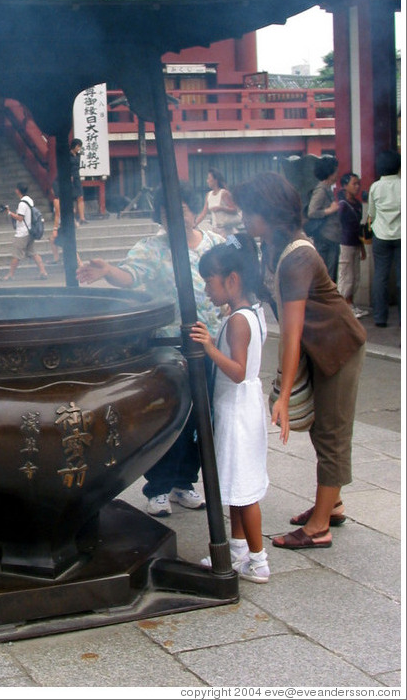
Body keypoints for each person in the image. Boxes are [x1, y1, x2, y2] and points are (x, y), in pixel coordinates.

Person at [232, 171, 366, 551]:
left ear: (268, 212)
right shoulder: (275, 246)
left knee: (332, 433)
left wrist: (284, 394)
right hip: (318, 345)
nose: (244, 218)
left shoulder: (297, 258)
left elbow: (290, 334)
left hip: (339, 346)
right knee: (323, 429)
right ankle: (333, 503)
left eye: (248, 212)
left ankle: (320, 526)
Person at [77, 182, 224, 516]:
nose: (172, 217)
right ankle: (157, 486)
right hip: (171, 347)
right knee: (170, 418)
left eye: (179, 209)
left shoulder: (214, 244)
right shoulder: (151, 248)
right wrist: (107, 271)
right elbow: (130, 275)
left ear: (192, 209)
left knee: (203, 420)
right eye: (164, 212)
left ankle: (184, 482)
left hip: (213, 344)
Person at [191, 234, 270, 583]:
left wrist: (209, 346)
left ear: (232, 280)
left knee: (245, 492)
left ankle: (259, 560)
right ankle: (238, 551)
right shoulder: (251, 312)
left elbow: (237, 371)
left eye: (210, 281)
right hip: (243, 409)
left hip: (237, 411)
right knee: (237, 488)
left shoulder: (239, 321)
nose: (207, 289)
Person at [367, 149, 401, 328]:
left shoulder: (375, 187)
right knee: (401, 278)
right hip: (401, 236)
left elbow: (371, 213)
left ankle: (380, 318)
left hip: (380, 235)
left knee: (380, 276)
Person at [0, 182, 49, 281]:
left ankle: (10, 275)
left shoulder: (22, 203)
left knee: (16, 254)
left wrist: (9, 213)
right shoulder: (29, 200)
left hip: (23, 233)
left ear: (18, 190)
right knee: (33, 252)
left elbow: (20, 218)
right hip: (29, 231)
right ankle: (43, 272)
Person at [337, 172, 368, 318]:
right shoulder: (342, 205)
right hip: (345, 244)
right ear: (345, 186)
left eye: (358, 184)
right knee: (346, 276)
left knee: (355, 276)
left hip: (355, 243)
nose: (357, 187)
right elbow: (338, 224)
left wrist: (362, 247)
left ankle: (351, 304)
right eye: (353, 184)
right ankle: (343, 306)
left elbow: (358, 227)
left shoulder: (357, 205)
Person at [306, 155, 340, 282]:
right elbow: (312, 211)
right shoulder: (321, 190)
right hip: (325, 237)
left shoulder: (327, 189)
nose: (337, 174)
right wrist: (330, 210)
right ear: (329, 173)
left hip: (330, 236)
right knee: (328, 275)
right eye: (335, 171)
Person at [195, 168, 242, 237]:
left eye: (209, 178)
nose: (207, 181)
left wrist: (221, 208)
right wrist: (194, 224)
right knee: (220, 246)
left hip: (227, 230)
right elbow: (203, 213)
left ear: (215, 180)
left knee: (234, 245)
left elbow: (234, 210)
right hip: (216, 229)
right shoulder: (208, 195)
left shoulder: (224, 193)